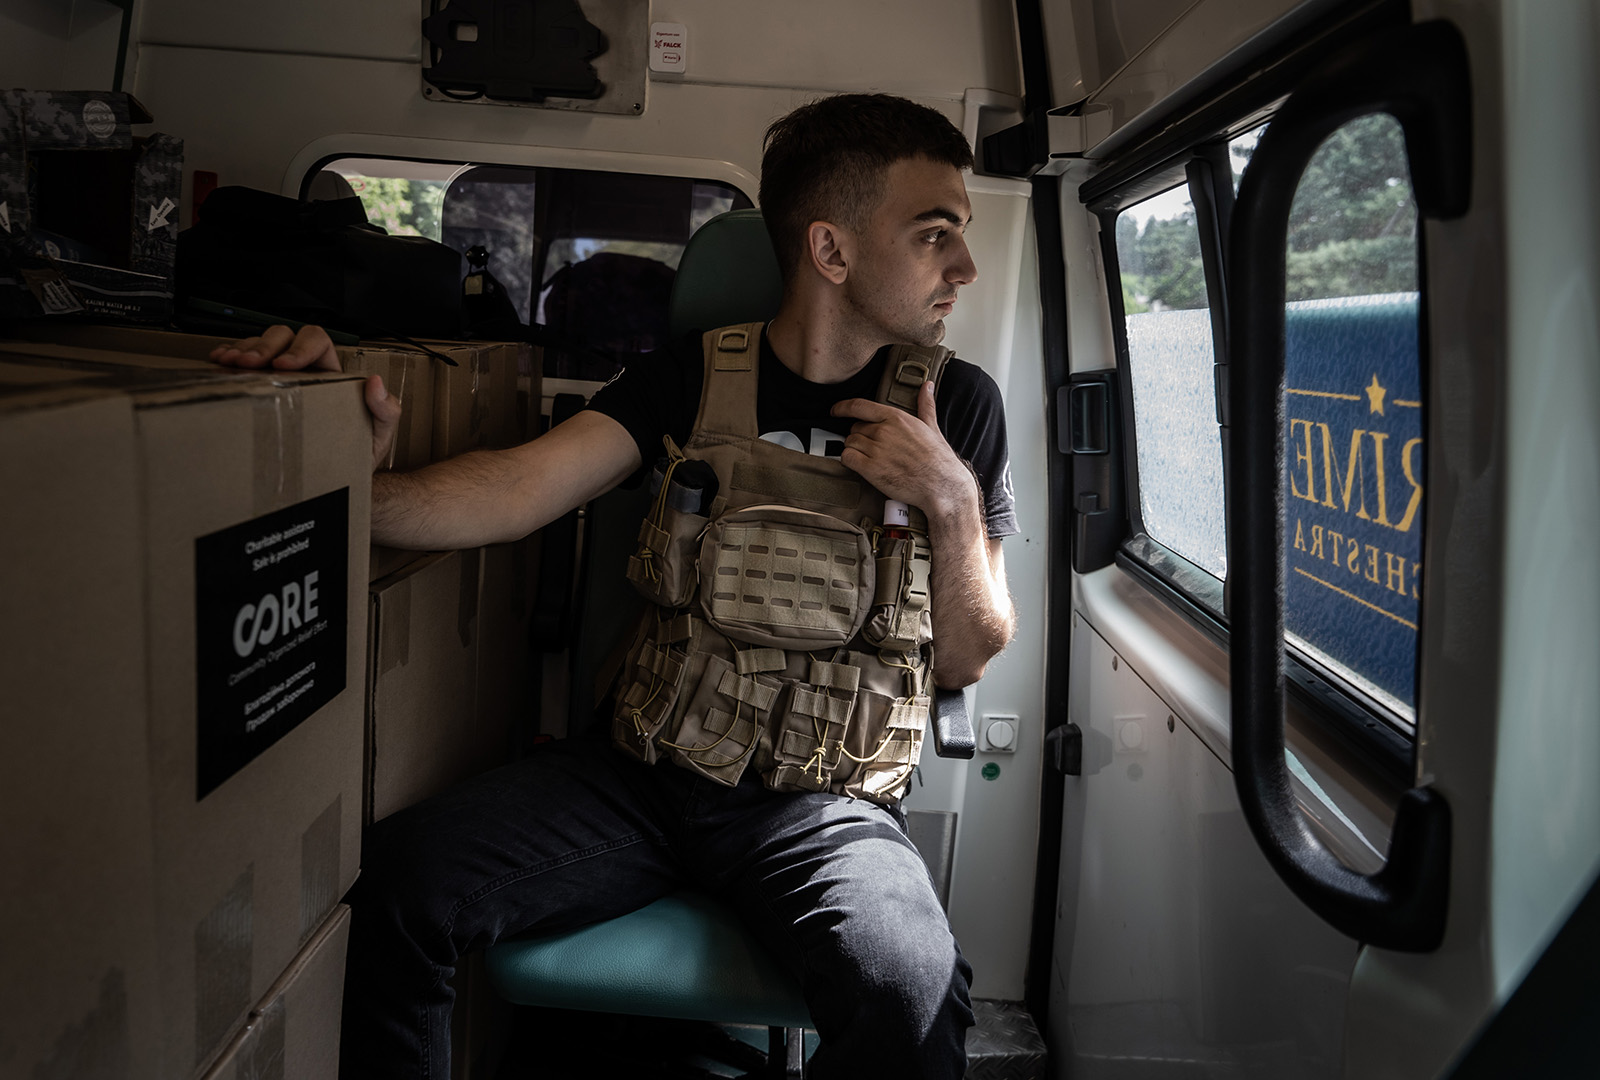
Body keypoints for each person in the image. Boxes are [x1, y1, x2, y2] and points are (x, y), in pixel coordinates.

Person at [212, 92, 1017, 1079]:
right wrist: (348, 490)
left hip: (823, 806)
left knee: (915, 995)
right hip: (643, 780)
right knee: (401, 889)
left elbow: (971, 652)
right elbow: (517, 488)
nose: (962, 268)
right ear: (831, 250)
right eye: (935, 235)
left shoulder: (958, 406)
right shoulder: (688, 378)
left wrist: (948, 496)